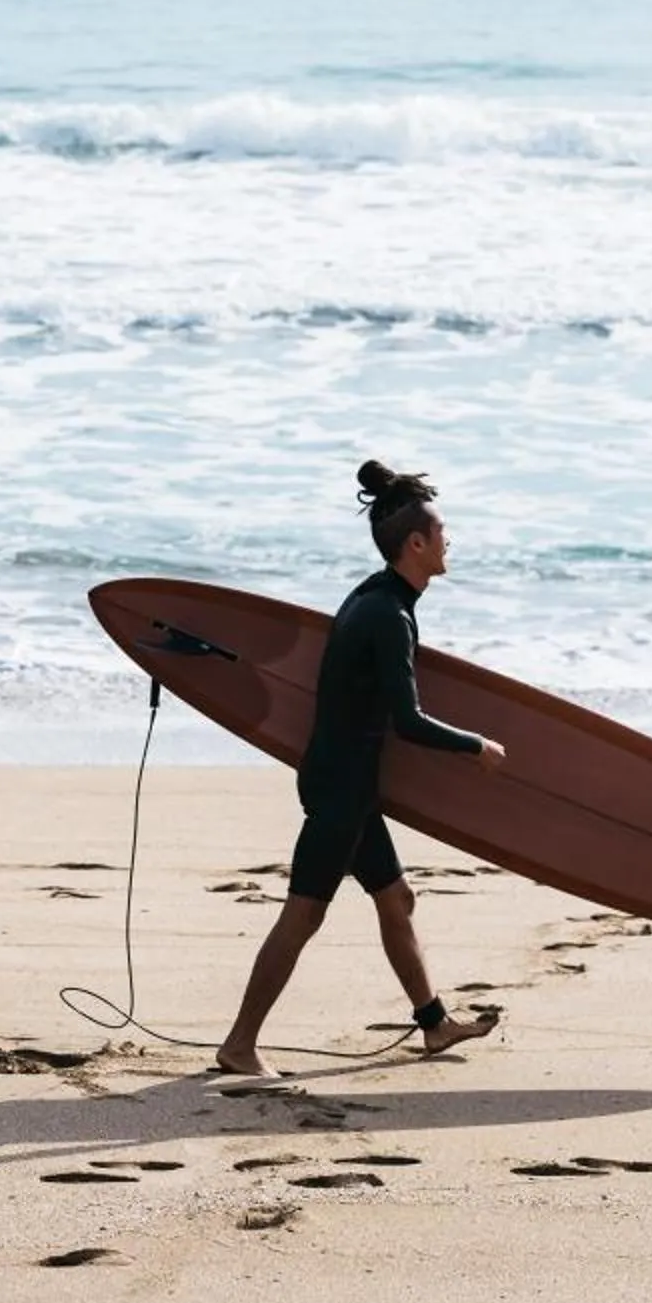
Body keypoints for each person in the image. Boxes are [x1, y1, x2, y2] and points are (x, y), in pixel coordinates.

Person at [214, 460, 504, 1078]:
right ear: (416, 544)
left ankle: (434, 1025)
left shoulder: (376, 597)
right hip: (342, 787)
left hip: (344, 780)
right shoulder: (389, 616)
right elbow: (409, 720)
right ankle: (239, 1045)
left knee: (396, 898)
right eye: (443, 531)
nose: (451, 540)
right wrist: (474, 745)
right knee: (304, 912)